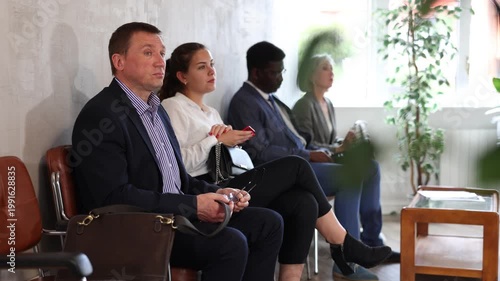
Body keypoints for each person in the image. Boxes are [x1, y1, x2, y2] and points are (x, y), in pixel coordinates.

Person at [159, 42, 391, 281]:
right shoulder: (173, 107)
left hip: (226, 181)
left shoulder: (210, 112)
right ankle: (343, 243)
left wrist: (229, 144)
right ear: (182, 76)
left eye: (212, 65)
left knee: (304, 202)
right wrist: (216, 141)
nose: (211, 71)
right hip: (206, 190)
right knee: (296, 164)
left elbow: (223, 162)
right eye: (201, 67)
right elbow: (177, 165)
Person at [71, 22, 284, 281]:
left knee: (269, 223)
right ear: (119, 61)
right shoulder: (102, 114)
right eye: (148, 53)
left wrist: (218, 193)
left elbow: (179, 181)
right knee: (230, 243)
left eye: (162, 53)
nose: (161, 62)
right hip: (140, 228)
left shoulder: (157, 109)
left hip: (174, 216)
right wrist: (193, 206)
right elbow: (113, 198)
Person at [227, 41, 395, 280]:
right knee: (348, 177)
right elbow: (259, 151)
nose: (281, 78)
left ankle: (359, 244)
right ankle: (346, 256)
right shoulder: (245, 101)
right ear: (256, 72)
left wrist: (324, 151)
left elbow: (297, 140)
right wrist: (308, 154)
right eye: (275, 72)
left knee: (365, 167)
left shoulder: (270, 100)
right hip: (279, 173)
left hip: (302, 163)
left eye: (282, 71)